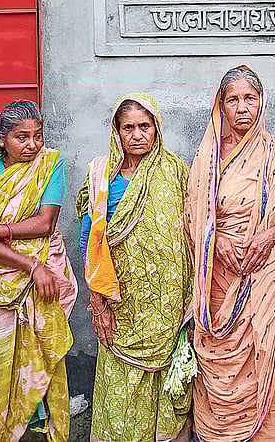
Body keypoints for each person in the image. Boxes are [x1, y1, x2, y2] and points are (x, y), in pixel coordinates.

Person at [186, 66, 275, 442]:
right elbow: (193, 215)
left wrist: (272, 235)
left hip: (267, 277)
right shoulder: (206, 160)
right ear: (220, 107)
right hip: (219, 280)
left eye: (250, 98)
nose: (243, 107)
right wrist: (216, 240)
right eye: (233, 100)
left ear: (262, 102)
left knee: (271, 364)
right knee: (220, 375)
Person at [76, 94, 192, 442]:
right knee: (120, 376)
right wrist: (98, 301)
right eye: (129, 128)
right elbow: (89, 241)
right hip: (120, 298)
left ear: (157, 129)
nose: (138, 135)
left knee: (166, 378)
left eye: (145, 126)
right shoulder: (101, 176)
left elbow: (192, 232)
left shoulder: (175, 171)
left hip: (168, 303)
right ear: (117, 132)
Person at [0, 101, 76, 442]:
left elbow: (45, 223)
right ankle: (0, 431)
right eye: (21, 137)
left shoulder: (51, 164)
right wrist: (32, 267)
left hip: (45, 265)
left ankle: (41, 425)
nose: (32, 145)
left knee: (41, 352)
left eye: (38, 136)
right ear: (1, 140)